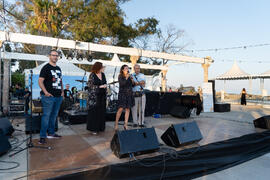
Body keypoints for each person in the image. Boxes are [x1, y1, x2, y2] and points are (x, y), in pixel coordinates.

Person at [38, 49, 63, 144]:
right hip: (48, 97)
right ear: (49, 56)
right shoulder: (46, 68)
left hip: (58, 96)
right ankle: (43, 136)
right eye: (53, 55)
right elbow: (40, 81)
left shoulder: (59, 68)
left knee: (54, 116)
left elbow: (60, 81)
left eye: (57, 56)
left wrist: (62, 92)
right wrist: (46, 92)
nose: (55, 57)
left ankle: (51, 133)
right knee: (46, 116)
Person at [87, 62, 107, 135]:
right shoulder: (92, 75)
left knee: (101, 112)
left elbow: (105, 82)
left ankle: (101, 127)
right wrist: (99, 87)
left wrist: (105, 85)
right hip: (94, 97)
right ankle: (94, 128)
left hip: (102, 96)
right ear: (98, 67)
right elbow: (90, 85)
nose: (103, 68)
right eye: (102, 67)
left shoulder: (103, 74)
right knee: (94, 113)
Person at [115, 65, 134, 131]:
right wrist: (126, 77)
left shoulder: (129, 76)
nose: (127, 69)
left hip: (129, 94)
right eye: (126, 68)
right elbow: (122, 84)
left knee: (128, 109)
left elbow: (132, 85)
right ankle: (116, 124)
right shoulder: (120, 76)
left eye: (128, 68)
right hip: (122, 94)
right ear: (122, 70)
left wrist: (132, 80)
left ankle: (125, 124)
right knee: (120, 109)